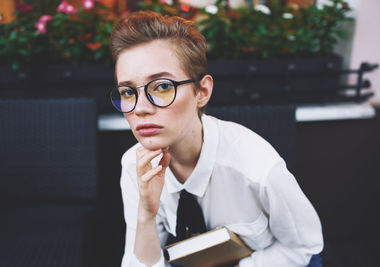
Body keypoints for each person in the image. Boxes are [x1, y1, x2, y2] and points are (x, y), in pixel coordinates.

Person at [109, 11, 323, 267]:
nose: (140, 108)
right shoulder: (135, 165)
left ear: (202, 92)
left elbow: (304, 246)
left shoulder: (257, 168)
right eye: (127, 91)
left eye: (163, 86)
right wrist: (146, 214)